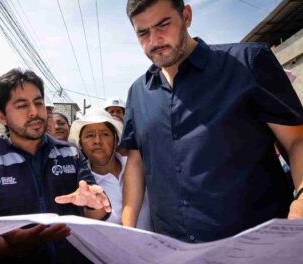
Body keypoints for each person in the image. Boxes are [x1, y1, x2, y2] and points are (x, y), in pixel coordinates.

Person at [121, 0, 303, 243]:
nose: (154, 41)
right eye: (143, 33)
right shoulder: (137, 93)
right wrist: (127, 230)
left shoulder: (247, 63)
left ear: (186, 16)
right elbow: (136, 162)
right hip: (174, 251)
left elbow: (296, 140)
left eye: (163, 25)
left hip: (259, 247)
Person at [0, 68, 111, 263]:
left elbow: (96, 215)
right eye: (22, 105)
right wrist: (11, 246)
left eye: (38, 103)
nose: (34, 112)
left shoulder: (70, 153)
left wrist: (96, 206)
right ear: (2, 116)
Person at [69, 109, 151, 230]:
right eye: (89, 135)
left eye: (104, 134)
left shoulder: (140, 167)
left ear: (116, 140)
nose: (97, 141)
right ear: (80, 143)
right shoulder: (80, 183)